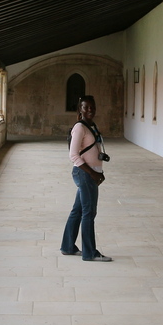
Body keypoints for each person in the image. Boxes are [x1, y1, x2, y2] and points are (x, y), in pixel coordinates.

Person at [61, 95, 112, 261]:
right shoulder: (79, 128)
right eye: (86, 107)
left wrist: (98, 170)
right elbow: (73, 155)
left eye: (92, 106)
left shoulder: (92, 126)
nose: (90, 110)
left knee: (78, 210)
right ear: (80, 109)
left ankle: (68, 246)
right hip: (84, 173)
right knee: (89, 212)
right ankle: (90, 252)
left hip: (91, 172)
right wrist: (93, 173)